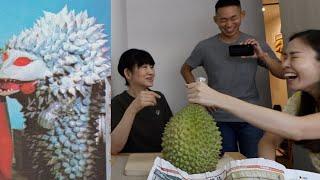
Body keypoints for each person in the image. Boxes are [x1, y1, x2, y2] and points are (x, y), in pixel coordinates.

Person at [186, 29, 320, 159]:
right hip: (222, 119)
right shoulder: (299, 100)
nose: (284, 64)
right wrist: (267, 172)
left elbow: (298, 129)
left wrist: (218, 98)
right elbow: (268, 141)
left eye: (295, 57)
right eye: (284, 57)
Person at [180, 0, 283, 158]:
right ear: (216, 20)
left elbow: (281, 72)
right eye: (223, 19)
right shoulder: (205, 46)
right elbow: (185, 69)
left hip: (251, 116)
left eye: (234, 18)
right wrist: (200, 97)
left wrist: (262, 56)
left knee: (254, 165)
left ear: (242, 15)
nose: (229, 24)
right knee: (225, 166)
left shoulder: (255, 43)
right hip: (219, 119)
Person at [111, 49, 172, 154]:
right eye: (144, 67)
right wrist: (133, 108)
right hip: (131, 164)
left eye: (152, 67)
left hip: (159, 161)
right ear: (128, 73)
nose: (151, 72)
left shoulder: (159, 97)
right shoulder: (117, 102)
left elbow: (172, 134)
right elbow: (113, 148)